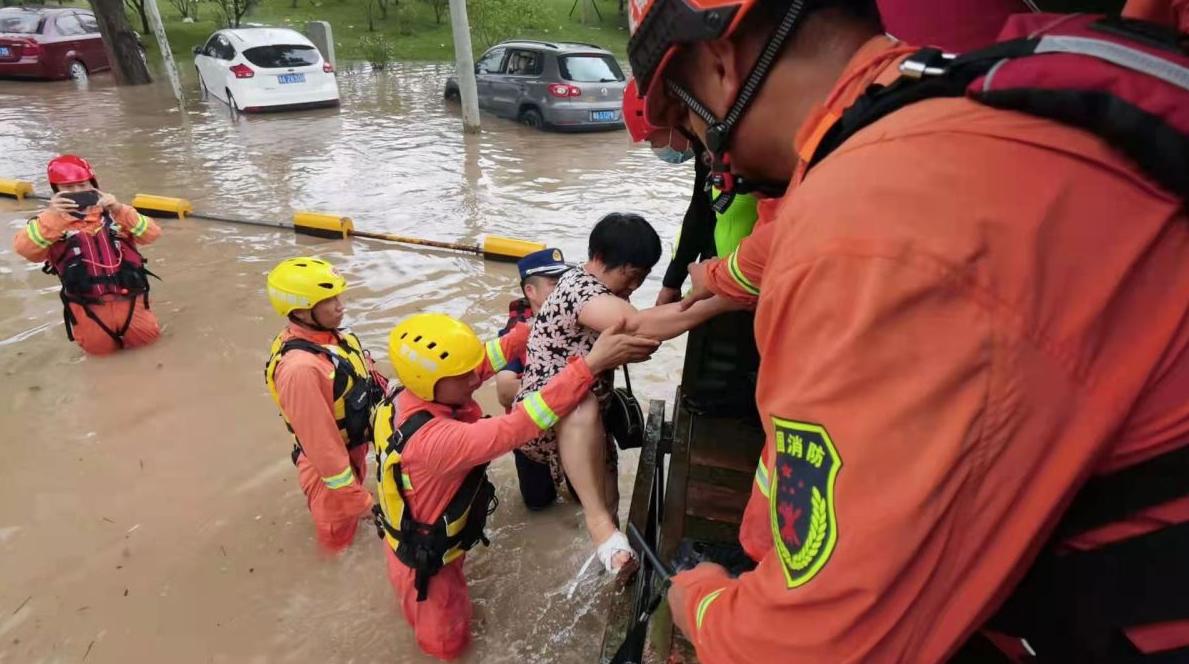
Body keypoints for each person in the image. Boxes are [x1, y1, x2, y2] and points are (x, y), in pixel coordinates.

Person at [624, 0, 1189, 661]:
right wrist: (707, 282)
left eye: (684, 119)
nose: (698, 146)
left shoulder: (867, 231)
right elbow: (767, 252)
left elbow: (805, 649)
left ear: (720, 66)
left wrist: (698, 597)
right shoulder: (935, 106)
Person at [373, 313, 658, 660]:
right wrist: (590, 364)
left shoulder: (412, 393)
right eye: (462, 375)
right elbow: (521, 424)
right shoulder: (436, 441)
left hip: (421, 540)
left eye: (470, 368)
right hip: (427, 568)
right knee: (448, 646)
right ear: (432, 381)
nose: (472, 378)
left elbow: (486, 359)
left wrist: (537, 326)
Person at [515, 212, 746, 574]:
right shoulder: (581, 291)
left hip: (589, 421)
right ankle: (596, 523)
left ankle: (613, 559)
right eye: (633, 276)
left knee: (610, 501)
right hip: (551, 415)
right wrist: (725, 299)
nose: (635, 288)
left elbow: (637, 328)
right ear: (612, 262)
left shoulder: (591, 286)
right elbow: (638, 324)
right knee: (583, 409)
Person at [263, 257, 385, 554]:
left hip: (350, 455)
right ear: (302, 310)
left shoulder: (334, 340)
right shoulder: (301, 369)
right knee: (338, 548)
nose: (340, 305)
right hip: (329, 474)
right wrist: (359, 501)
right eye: (328, 300)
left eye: (338, 296)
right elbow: (323, 448)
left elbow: (371, 380)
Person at [12, 155, 162, 355]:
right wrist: (54, 217)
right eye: (68, 189)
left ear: (93, 185)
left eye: (82, 185)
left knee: (151, 350)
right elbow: (25, 250)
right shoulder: (47, 224)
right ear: (56, 191)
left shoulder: (117, 214)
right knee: (101, 361)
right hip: (88, 311)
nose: (77, 192)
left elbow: (151, 234)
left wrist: (119, 209)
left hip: (132, 303)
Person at [491, 248, 575, 511]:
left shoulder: (577, 321)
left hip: (575, 432)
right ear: (531, 291)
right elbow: (504, 391)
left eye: (565, 281)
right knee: (539, 507)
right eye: (554, 283)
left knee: (584, 501)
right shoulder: (515, 334)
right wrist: (571, 385)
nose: (564, 289)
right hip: (530, 437)